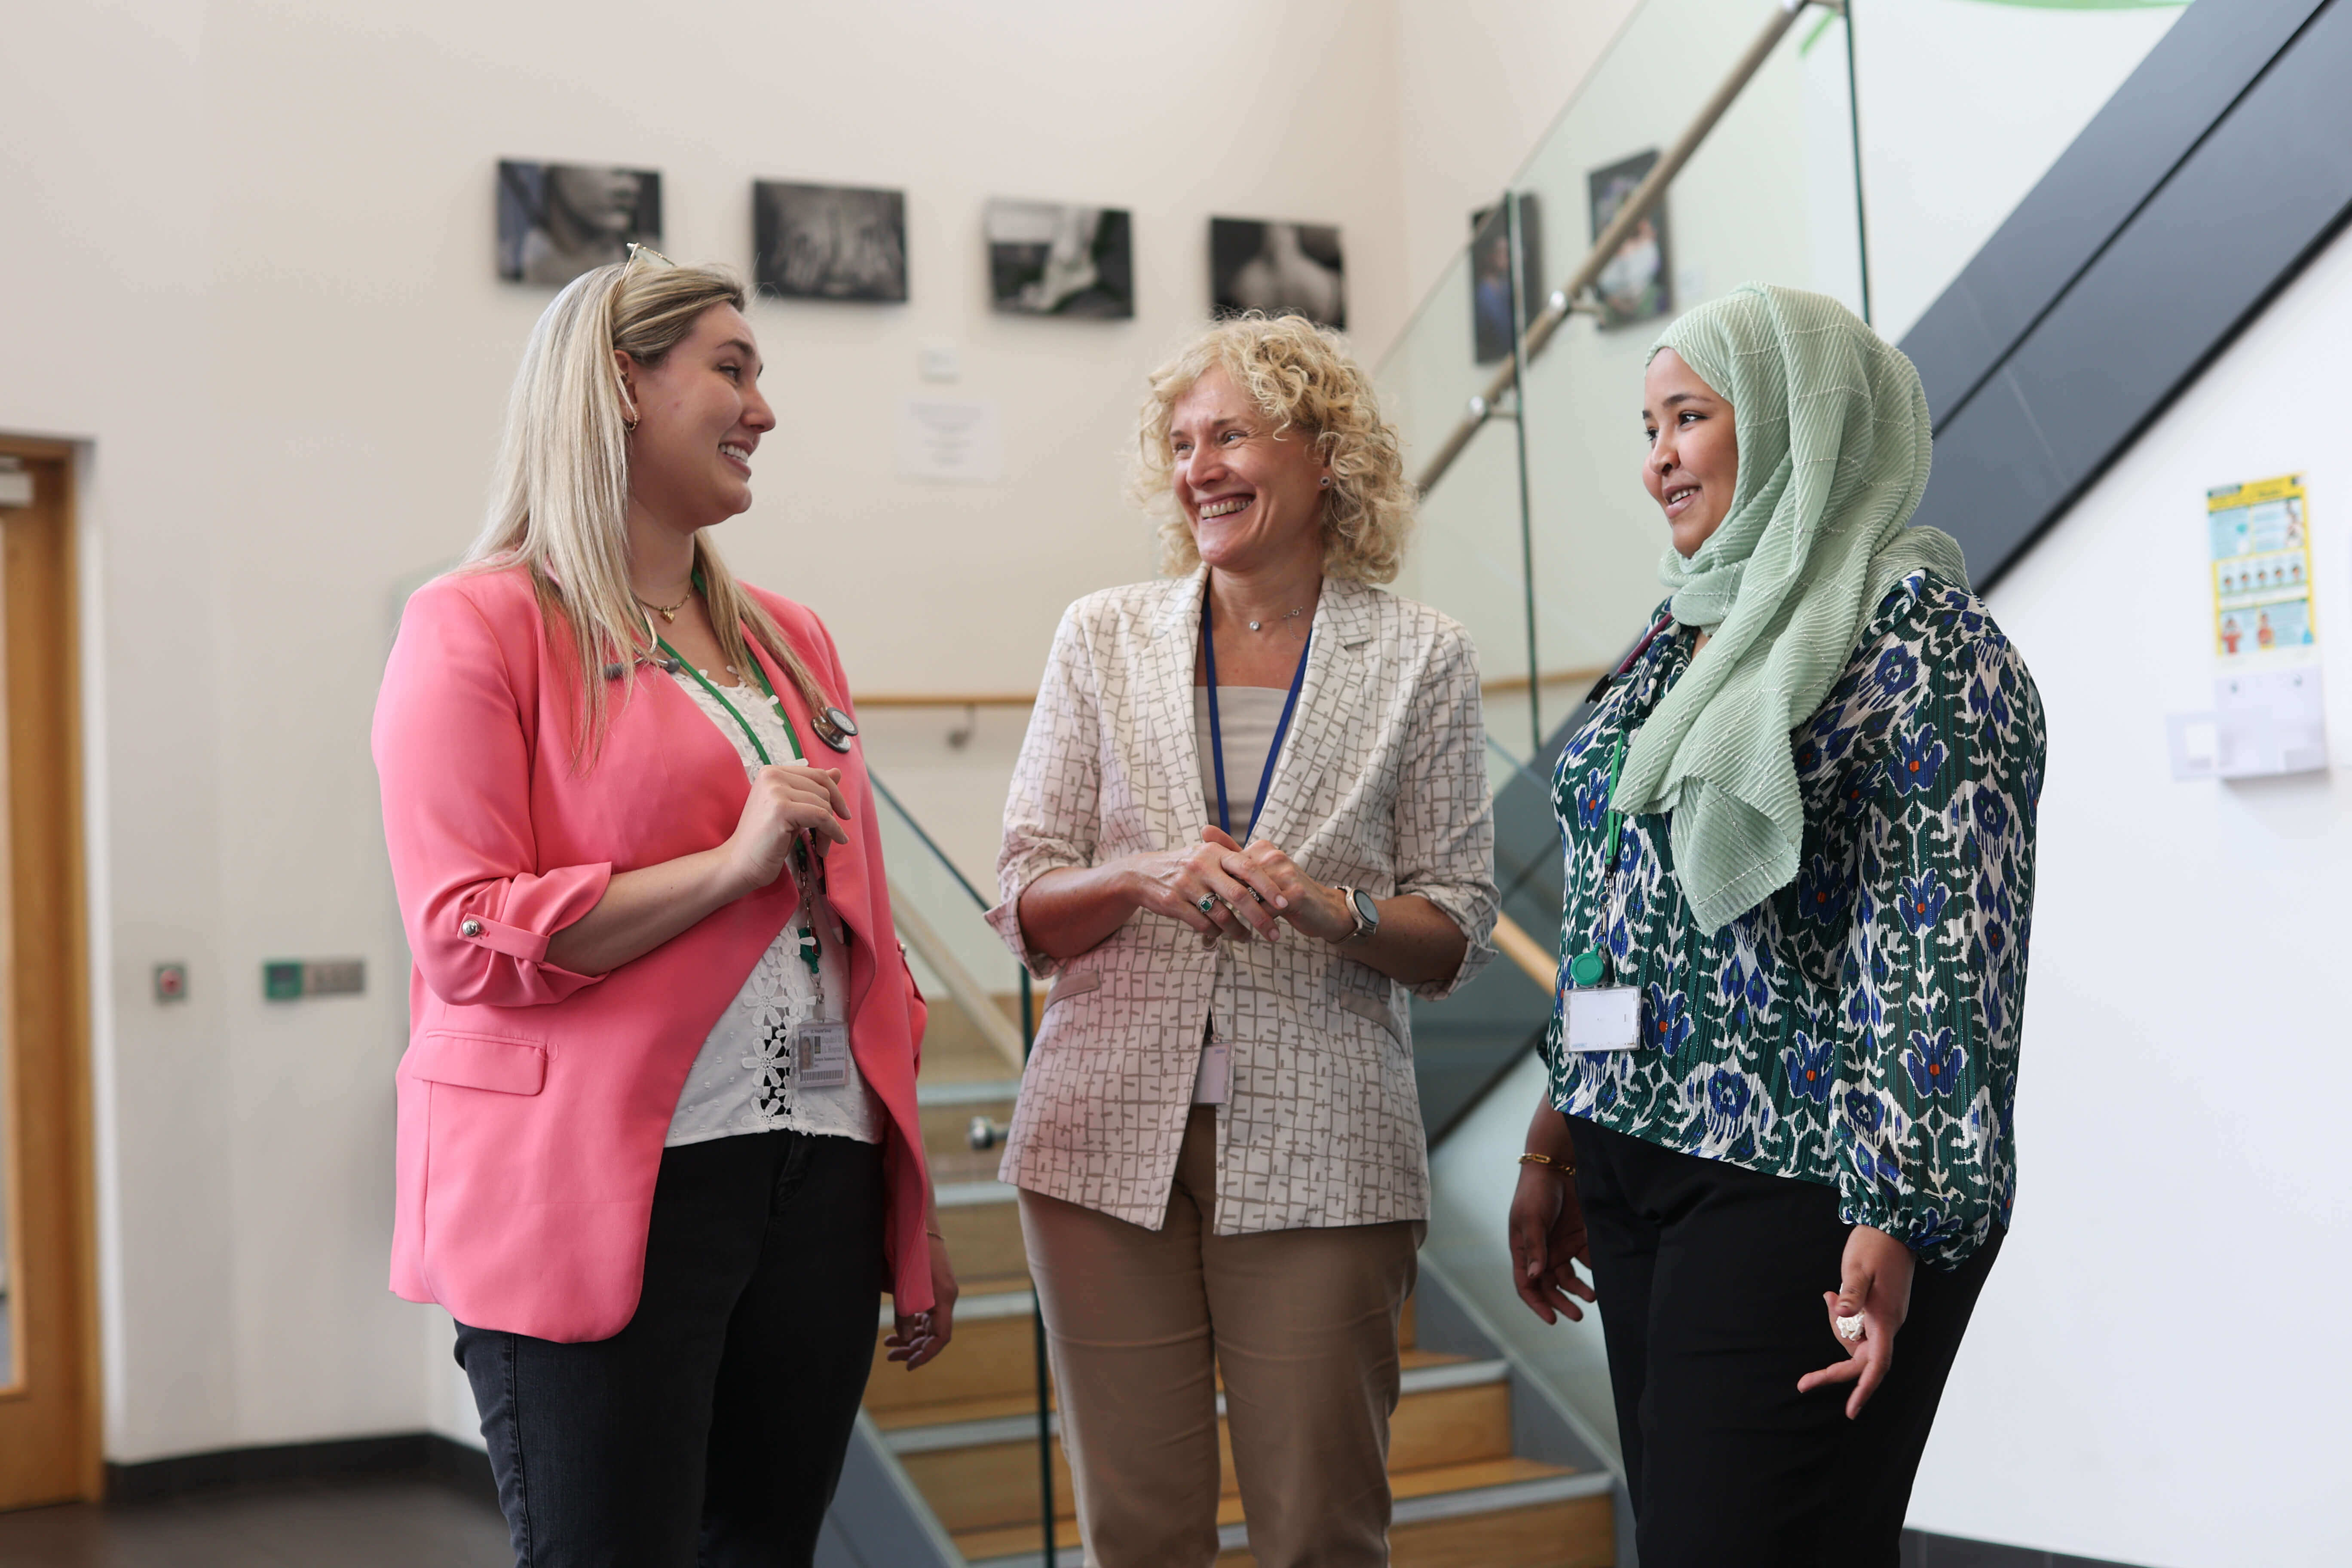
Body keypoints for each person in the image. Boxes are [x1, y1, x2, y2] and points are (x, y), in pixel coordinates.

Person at [372, 250, 956, 1568]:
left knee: (766, 1548)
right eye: (732, 369)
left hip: (819, 1169)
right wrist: (726, 866)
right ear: (621, 384)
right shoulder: (477, 624)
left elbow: (863, 943)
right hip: (606, 1184)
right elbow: (463, 933)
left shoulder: (792, 639)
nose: (764, 409)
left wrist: (906, 1208)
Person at [1506, 284, 2046, 1567]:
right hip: (1636, 1153)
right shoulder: (1684, 636)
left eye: (1689, 417)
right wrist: (1559, 1126)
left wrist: (1899, 1214)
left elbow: (1944, 944)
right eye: (1649, 426)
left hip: (1809, 1185)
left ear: (1804, 420)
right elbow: (1614, 899)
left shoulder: (1926, 647)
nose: (1657, 460)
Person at [990, 313, 1499, 1568]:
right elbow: (1024, 897)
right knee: (1141, 1535)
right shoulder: (1100, 636)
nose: (1198, 466)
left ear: (1323, 454)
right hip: (1102, 1144)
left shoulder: (1422, 656)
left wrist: (1336, 910)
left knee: (1320, 1530)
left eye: (1231, 434)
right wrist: (1139, 877)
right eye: (1181, 441)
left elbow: (1459, 928)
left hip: (1327, 1145)